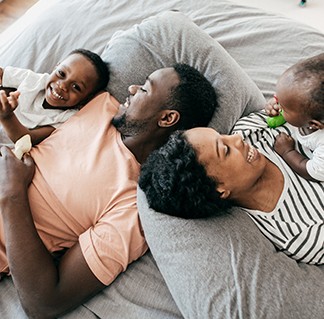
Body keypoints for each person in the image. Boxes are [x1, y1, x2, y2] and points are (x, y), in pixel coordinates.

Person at [0, 63, 217, 318]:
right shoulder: (102, 104)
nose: (132, 88)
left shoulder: (133, 206)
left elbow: (45, 302)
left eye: (145, 89)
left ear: (167, 118)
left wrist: (12, 195)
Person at [139, 110, 324, 265]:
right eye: (225, 150)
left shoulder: (251, 130)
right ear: (220, 189)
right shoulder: (297, 233)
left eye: (222, 136)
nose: (236, 138)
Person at [0, 48, 110, 146]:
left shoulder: (66, 118)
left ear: (85, 100)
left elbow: (28, 139)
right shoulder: (33, 80)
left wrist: (7, 116)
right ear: (55, 67)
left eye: (76, 87)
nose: (62, 86)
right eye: (61, 73)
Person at [265, 52, 324, 182]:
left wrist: (287, 152)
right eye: (277, 99)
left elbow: (314, 171)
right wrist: (276, 103)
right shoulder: (308, 107)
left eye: (284, 107)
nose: (278, 105)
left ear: (314, 125)